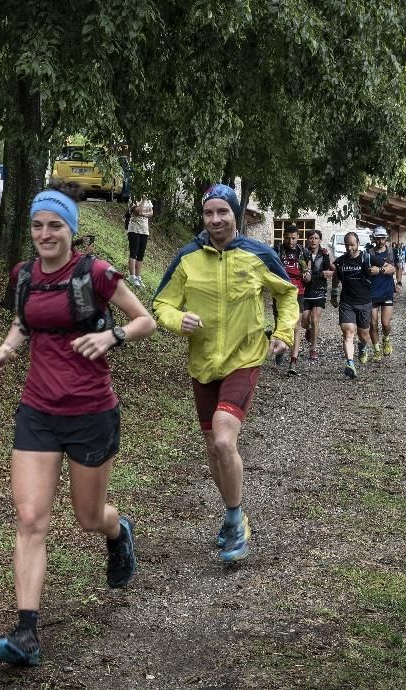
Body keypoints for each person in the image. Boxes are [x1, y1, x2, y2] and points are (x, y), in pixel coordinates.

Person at [0, 181, 157, 667]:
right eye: (37, 225)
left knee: (87, 518)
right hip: (38, 411)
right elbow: (24, 321)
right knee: (31, 519)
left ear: (71, 230)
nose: (44, 233)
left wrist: (112, 338)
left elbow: (146, 320)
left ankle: (117, 532)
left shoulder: (95, 273)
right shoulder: (24, 275)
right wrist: (4, 352)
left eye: (54, 225)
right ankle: (26, 632)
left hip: (90, 413)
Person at [153, 184, 298, 562]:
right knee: (214, 450)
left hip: (244, 358)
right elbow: (161, 303)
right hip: (202, 365)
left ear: (236, 214)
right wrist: (176, 319)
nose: (215, 219)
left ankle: (235, 521)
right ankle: (234, 513)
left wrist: (282, 333)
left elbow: (287, 293)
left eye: (223, 212)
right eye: (209, 213)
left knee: (222, 440)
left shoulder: (257, 254)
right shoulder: (187, 258)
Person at [330, 231, 385, 378]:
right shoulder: (341, 261)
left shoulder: (366, 258)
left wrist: (379, 270)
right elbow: (335, 277)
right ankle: (350, 364)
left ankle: (362, 347)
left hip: (364, 302)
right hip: (347, 302)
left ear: (358, 244)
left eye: (352, 245)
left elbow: (390, 267)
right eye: (347, 245)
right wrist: (334, 293)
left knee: (364, 335)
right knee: (348, 332)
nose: (349, 248)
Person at [272, 223, 308, 374]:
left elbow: (308, 270)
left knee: (296, 325)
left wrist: (307, 274)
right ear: (283, 238)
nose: (290, 241)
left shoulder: (303, 252)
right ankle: (280, 349)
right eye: (287, 238)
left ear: (298, 238)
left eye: (293, 238)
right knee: (280, 323)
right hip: (280, 290)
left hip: (298, 291)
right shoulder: (277, 250)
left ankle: (293, 361)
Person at [367, 226, 401, 362]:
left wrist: (399, 283)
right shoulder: (368, 253)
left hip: (387, 291)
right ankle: (376, 350)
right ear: (374, 238)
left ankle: (386, 340)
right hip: (372, 292)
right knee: (373, 324)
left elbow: (395, 268)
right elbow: (366, 270)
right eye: (378, 238)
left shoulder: (392, 252)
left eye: (383, 238)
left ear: (386, 238)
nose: (381, 240)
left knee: (385, 323)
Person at [301, 229, 335, 361]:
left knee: (315, 319)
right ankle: (308, 329)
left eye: (316, 238)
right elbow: (301, 272)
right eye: (311, 238)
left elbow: (330, 269)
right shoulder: (303, 254)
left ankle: (313, 349)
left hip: (320, 290)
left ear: (320, 240)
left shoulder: (325, 254)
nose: (313, 240)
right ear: (308, 240)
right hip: (305, 291)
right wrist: (320, 274)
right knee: (304, 321)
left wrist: (333, 274)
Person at [126, 198, 153, 287]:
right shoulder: (134, 197)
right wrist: (143, 201)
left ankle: (138, 277)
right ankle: (132, 276)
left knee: (141, 255)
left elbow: (151, 212)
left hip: (144, 230)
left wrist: (144, 214)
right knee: (134, 253)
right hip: (134, 229)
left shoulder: (149, 200)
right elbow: (137, 211)